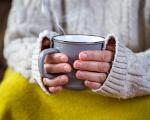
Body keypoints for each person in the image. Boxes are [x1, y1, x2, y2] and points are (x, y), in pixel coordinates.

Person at [0, 0, 150, 119]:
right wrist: (39, 59)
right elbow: (17, 40)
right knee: (11, 95)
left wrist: (129, 70)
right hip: (55, 90)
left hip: (133, 92)